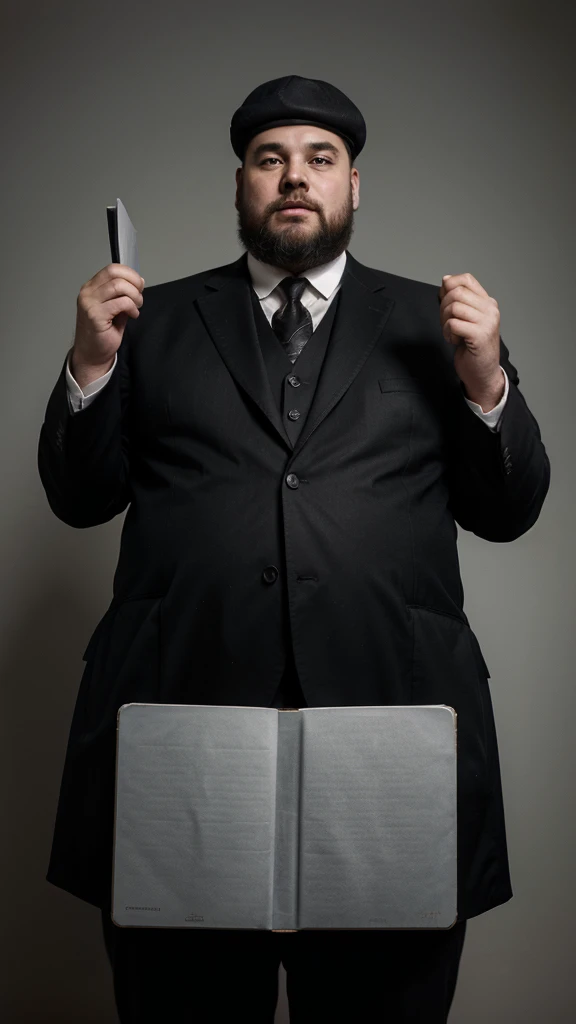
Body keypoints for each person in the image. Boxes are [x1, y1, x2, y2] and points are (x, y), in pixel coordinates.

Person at [38, 75, 550, 1022]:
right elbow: (77, 500)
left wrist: (487, 380)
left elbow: (509, 511)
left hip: (390, 735)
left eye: (321, 160)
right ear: (240, 188)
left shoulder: (435, 325)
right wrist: (91, 366)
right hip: (184, 735)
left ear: (356, 188)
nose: (295, 179)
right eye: (270, 160)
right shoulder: (151, 323)